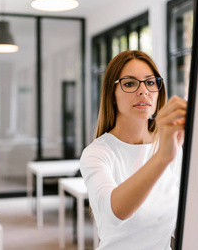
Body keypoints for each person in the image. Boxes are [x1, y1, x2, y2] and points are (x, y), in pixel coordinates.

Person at [80, 50, 187, 250]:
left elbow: (178, 224)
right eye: (129, 83)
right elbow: (114, 214)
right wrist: (163, 156)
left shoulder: (171, 148)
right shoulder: (97, 153)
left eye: (150, 82)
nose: (143, 91)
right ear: (111, 94)